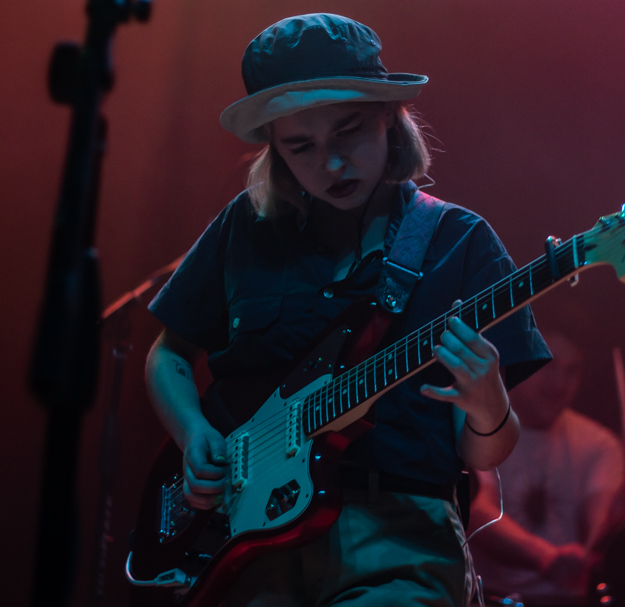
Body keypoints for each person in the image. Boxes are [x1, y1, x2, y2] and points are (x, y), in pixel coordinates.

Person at [143, 13, 550, 607]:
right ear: (275, 150)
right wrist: (193, 433)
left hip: (397, 538)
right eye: (300, 147)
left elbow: (483, 451)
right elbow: (168, 355)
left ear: (389, 117)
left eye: (348, 133)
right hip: (245, 541)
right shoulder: (245, 227)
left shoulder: (458, 242)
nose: (330, 163)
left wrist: (488, 404)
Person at [468, 332, 625, 606]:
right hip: (487, 598)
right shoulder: (475, 426)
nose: (559, 383)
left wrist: (623, 517)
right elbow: (477, 511)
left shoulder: (600, 443)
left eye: (571, 371)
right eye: (548, 365)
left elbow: (597, 526)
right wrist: (544, 557)